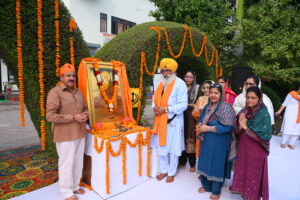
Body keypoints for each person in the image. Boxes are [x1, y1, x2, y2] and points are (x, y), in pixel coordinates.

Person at [46, 63, 88, 200]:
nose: (71, 78)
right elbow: (50, 116)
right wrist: (72, 117)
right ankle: (66, 192)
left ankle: (75, 186)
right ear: (61, 77)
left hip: (80, 133)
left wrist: (85, 115)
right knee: (66, 163)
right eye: (68, 75)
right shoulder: (55, 92)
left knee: (78, 162)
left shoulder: (78, 91)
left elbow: (86, 108)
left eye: (73, 75)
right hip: (64, 134)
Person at [231, 86, 272, 200]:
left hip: (256, 150)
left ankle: (252, 196)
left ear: (259, 99)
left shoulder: (264, 114)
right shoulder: (245, 111)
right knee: (244, 170)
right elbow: (237, 130)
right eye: (248, 97)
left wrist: (244, 126)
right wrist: (239, 125)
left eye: (253, 98)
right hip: (244, 147)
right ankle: (244, 191)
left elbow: (265, 136)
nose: (250, 100)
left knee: (253, 173)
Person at [196, 83, 236, 200]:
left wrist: (208, 128)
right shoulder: (207, 106)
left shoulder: (226, 107)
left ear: (221, 94)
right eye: (211, 92)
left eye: (216, 93)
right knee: (205, 160)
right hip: (206, 140)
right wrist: (200, 125)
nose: (213, 95)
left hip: (220, 141)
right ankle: (206, 186)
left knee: (216, 164)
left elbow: (229, 127)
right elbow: (202, 119)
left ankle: (216, 190)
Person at [152, 58, 188, 183]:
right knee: (161, 147)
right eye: (164, 70)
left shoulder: (180, 84)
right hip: (159, 121)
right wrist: (155, 108)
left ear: (173, 71)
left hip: (173, 122)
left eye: (168, 70)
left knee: (173, 149)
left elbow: (183, 105)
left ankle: (171, 173)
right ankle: (163, 170)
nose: (165, 73)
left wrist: (166, 109)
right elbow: (154, 100)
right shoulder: (160, 84)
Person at [179, 71, 202, 172]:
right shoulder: (180, 87)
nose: (188, 79)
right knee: (181, 136)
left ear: (194, 78)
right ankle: (182, 161)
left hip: (191, 116)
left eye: (190, 77)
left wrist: (189, 105)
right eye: (186, 76)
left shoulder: (197, 88)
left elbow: (199, 102)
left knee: (190, 136)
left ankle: (192, 163)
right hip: (180, 114)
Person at [275, 83, 300, 149]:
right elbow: (284, 104)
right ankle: (283, 142)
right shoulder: (291, 94)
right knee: (288, 127)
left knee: (296, 129)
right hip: (290, 114)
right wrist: (279, 111)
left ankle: (291, 144)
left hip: (298, 116)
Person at [192, 80, 213, 158]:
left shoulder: (215, 99)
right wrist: (199, 114)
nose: (206, 89)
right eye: (204, 88)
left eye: (208, 87)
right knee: (200, 147)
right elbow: (194, 113)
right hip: (200, 125)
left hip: (211, 127)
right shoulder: (200, 99)